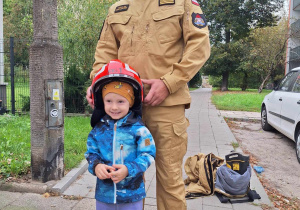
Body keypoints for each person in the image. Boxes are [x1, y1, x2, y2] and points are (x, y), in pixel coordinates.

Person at [86, 0, 211, 209]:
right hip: (125, 110)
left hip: (167, 106)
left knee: (170, 181)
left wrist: (168, 83)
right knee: (126, 177)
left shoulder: (182, 3)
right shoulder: (117, 9)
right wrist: (97, 84)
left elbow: (199, 46)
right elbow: (104, 55)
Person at [85, 60, 156, 210]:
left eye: (121, 101)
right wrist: (96, 166)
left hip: (132, 195)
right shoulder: (98, 130)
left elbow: (148, 155)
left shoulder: (139, 130)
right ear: (101, 101)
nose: (114, 107)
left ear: (130, 102)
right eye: (108, 101)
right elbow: (91, 153)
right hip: (105, 194)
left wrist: (129, 169)